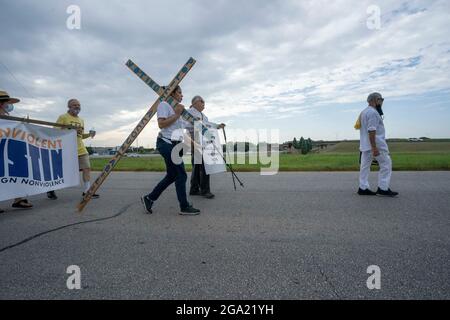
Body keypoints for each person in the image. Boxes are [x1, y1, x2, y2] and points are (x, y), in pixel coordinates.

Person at [141, 86, 200, 215]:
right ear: (171, 93)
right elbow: (161, 124)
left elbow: (183, 131)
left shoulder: (179, 110)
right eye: (179, 92)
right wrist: (177, 114)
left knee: (172, 175)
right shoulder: (164, 104)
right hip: (166, 143)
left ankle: (149, 198)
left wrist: (196, 141)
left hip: (175, 145)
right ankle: (184, 207)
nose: (182, 96)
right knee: (181, 174)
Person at [46, 98, 99, 199]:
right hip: (67, 149)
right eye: (75, 105)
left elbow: (80, 135)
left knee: (87, 168)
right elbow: (55, 132)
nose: (77, 107)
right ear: (69, 107)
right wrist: (69, 130)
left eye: (79, 105)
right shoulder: (63, 117)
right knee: (60, 171)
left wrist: (89, 134)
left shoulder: (81, 120)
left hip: (81, 149)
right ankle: (50, 189)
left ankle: (87, 191)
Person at [357, 92, 398, 197]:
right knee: (386, 164)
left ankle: (363, 188)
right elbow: (372, 130)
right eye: (381, 99)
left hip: (365, 145)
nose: (382, 102)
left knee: (364, 167)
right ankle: (383, 188)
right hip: (376, 145)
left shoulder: (364, 112)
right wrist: (374, 147)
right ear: (375, 100)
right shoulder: (373, 113)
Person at [185, 95, 225, 199]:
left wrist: (218, 126)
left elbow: (209, 125)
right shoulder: (189, 112)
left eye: (204, 101)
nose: (203, 103)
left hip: (204, 144)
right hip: (196, 143)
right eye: (201, 101)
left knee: (197, 167)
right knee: (204, 167)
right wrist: (195, 123)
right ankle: (205, 190)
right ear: (194, 103)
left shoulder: (204, 116)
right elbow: (185, 125)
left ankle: (194, 189)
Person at [0, 90, 33, 211]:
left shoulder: (7, 117)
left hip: (9, 150)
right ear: (1, 103)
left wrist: (24, 125)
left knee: (16, 171)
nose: (9, 105)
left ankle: (19, 199)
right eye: (7, 103)